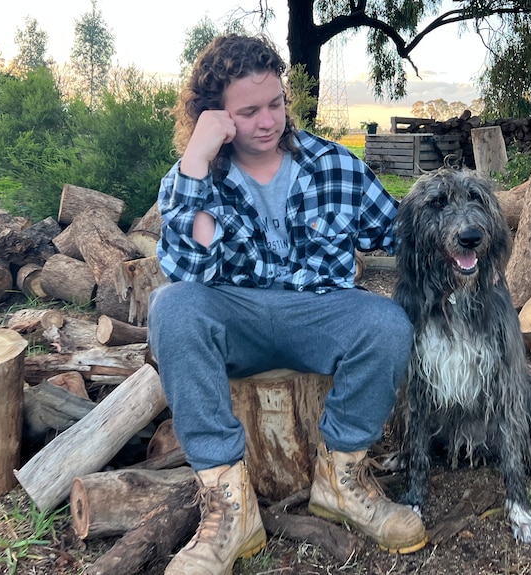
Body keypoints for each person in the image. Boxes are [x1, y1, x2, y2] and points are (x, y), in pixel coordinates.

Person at [147, 33, 427, 575]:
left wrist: (462, 233)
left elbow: (401, 232)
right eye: (248, 111)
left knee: (386, 323)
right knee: (173, 306)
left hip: (317, 314)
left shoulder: (333, 166)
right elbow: (188, 268)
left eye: (275, 103)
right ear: (215, 117)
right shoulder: (198, 179)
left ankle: (341, 480)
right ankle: (230, 508)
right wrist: (197, 160)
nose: (268, 120)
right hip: (237, 316)